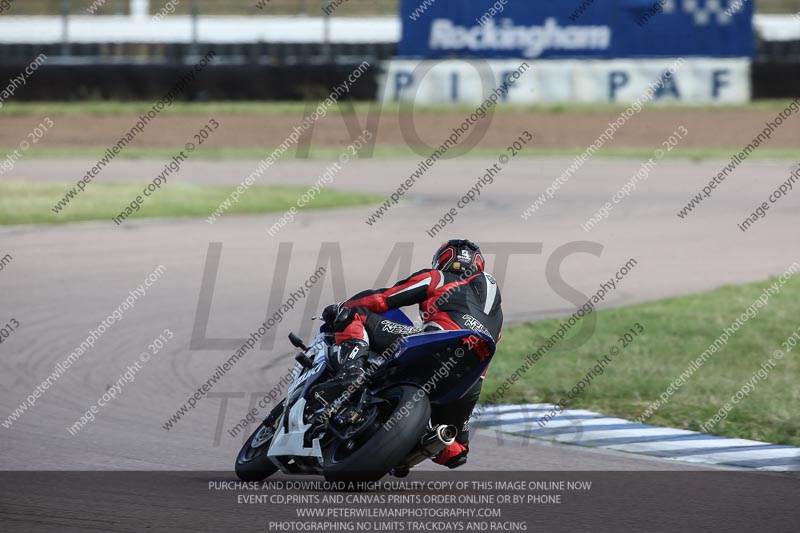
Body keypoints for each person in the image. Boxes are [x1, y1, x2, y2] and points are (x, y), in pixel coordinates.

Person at [323, 239, 503, 469]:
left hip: (438, 341)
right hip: (470, 378)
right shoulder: (497, 316)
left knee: (354, 315)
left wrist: (342, 307)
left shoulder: (438, 277)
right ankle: (410, 447)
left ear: (444, 259)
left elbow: (382, 299)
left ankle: (352, 371)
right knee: (456, 449)